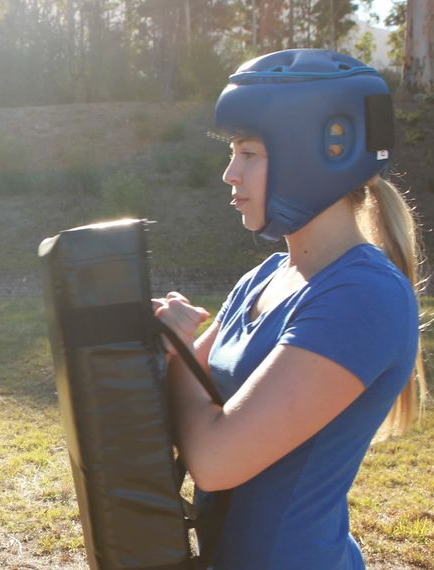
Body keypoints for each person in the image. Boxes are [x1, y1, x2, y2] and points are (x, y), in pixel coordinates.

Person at [154, 49, 426, 569]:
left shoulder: (362, 297)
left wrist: (178, 349)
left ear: (321, 151)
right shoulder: (265, 277)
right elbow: (178, 385)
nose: (229, 174)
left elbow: (214, 460)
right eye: (232, 152)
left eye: (249, 153)